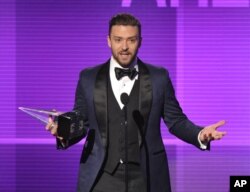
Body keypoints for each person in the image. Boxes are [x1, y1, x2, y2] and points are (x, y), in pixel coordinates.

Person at [45, 13, 226, 192]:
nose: (124, 47)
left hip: (147, 178)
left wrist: (200, 134)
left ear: (140, 41)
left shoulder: (158, 77)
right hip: (100, 178)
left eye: (131, 40)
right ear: (109, 40)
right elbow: (83, 123)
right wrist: (64, 131)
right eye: (118, 40)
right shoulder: (88, 77)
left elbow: (176, 121)